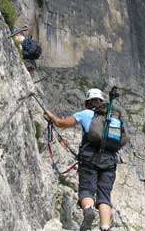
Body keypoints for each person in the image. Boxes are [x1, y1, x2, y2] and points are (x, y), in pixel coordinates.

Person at [45, 88, 118, 231]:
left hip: (89, 160)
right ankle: (105, 227)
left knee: (86, 191)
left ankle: (88, 209)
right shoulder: (113, 119)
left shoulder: (85, 114)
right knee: (104, 197)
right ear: (101, 102)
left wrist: (50, 116)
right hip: (109, 161)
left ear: (88, 102)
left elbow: (61, 123)